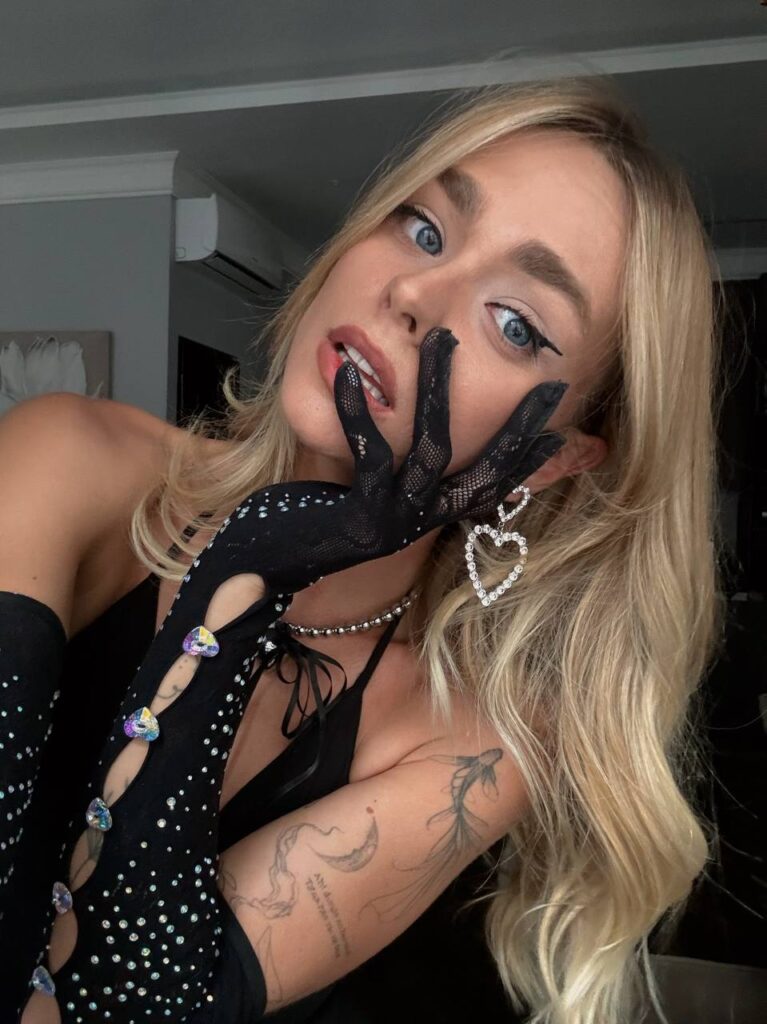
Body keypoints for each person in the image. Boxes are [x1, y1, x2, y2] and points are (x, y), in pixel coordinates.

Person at [0, 74, 721, 1024]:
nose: (415, 294)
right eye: (423, 229)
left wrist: (247, 572)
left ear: (552, 459)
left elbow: (124, 1005)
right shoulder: (67, 459)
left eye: (515, 324)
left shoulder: (473, 741)